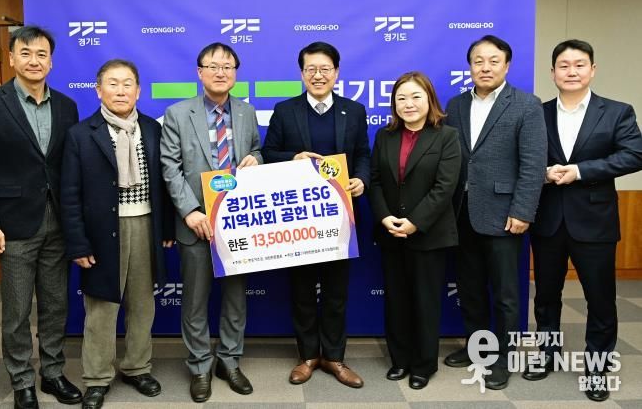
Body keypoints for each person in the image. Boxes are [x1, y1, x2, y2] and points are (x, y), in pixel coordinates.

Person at [0, 26, 81, 409]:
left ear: (51, 61)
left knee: (55, 304)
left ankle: (52, 373)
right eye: (26, 53)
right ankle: (21, 380)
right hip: (13, 223)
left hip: (58, 221)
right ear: (12, 58)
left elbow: (68, 166)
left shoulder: (66, 106)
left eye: (42, 54)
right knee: (16, 310)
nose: (35, 61)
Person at [525, 39, 642, 402]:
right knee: (546, 295)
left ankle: (597, 366)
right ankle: (547, 353)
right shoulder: (537, 113)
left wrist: (579, 170)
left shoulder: (617, 112)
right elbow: (522, 159)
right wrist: (543, 175)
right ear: (553, 72)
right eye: (564, 65)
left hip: (594, 221)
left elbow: (633, 155)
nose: (571, 71)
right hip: (547, 219)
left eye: (579, 65)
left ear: (592, 70)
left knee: (600, 298)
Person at [61, 59, 175, 409]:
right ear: (99, 90)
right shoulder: (81, 134)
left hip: (145, 226)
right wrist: (78, 242)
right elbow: (69, 194)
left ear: (138, 91)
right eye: (113, 83)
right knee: (101, 308)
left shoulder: (153, 129)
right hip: (101, 232)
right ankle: (97, 377)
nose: (121, 90)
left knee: (142, 305)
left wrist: (167, 227)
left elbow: (164, 183)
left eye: (128, 84)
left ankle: (137, 367)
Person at [262, 41, 370, 389]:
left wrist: (361, 179)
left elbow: (363, 154)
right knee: (303, 290)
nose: (318, 75)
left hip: (341, 218)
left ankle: (334, 357)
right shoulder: (285, 110)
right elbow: (267, 153)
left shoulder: (354, 111)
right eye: (311, 69)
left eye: (325, 69)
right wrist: (292, 158)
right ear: (302, 73)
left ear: (336, 72)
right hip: (300, 220)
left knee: (337, 292)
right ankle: (308, 356)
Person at [443, 35, 547, 390]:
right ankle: (478, 349)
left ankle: (502, 358)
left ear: (507, 65)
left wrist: (523, 210)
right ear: (470, 66)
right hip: (462, 213)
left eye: (493, 61)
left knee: (505, 293)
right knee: (470, 288)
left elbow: (533, 165)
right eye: (478, 61)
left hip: (505, 214)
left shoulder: (526, 105)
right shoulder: (456, 105)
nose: (485, 67)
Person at [160, 43, 261, 403]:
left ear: (235, 73)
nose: (221, 72)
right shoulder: (177, 113)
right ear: (199, 72)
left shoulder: (247, 112)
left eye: (228, 66)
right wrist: (190, 211)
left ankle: (229, 361)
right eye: (213, 66)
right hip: (196, 224)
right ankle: (200, 365)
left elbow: (256, 150)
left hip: (237, 223)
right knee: (195, 300)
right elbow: (170, 168)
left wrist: (256, 159)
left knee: (235, 298)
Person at [369, 71, 461, 390]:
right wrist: (385, 217)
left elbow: (445, 187)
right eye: (401, 98)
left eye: (415, 97)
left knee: (425, 302)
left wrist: (415, 222)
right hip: (390, 233)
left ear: (429, 99)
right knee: (396, 301)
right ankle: (400, 360)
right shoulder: (385, 136)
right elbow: (375, 181)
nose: (408, 104)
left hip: (428, 234)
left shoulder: (446, 136)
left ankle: (423, 365)